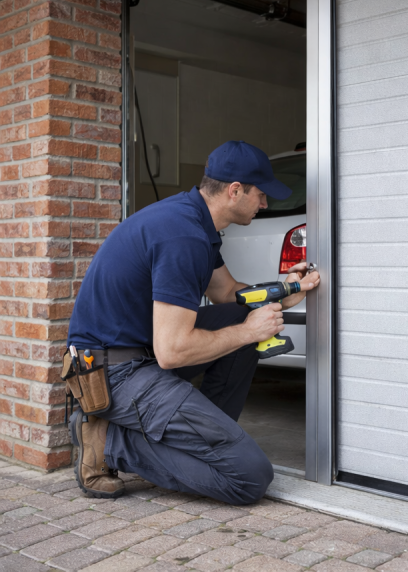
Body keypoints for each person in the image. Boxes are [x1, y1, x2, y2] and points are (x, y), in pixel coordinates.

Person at [66, 140, 320, 505]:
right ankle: (108, 443)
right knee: (249, 477)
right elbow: (173, 351)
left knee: (238, 314)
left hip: (139, 355)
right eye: (261, 195)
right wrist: (250, 331)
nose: (265, 204)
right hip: (112, 373)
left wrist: (286, 290)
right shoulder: (182, 235)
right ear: (235, 191)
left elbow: (227, 292)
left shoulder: (196, 222)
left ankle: (213, 441)